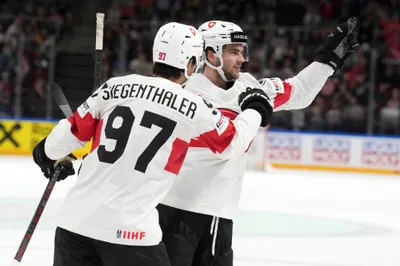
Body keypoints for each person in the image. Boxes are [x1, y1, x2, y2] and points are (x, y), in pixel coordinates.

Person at [31, 22, 273, 266]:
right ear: (190, 63)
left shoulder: (114, 86)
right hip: (130, 232)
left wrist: (47, 156)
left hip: (74, 224)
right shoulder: (192, 105)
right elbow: (232, 143)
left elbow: (69, 133)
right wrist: (255, 109)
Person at [157, 18, 360, 266]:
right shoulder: (187, 93)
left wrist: (327, 61)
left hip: (221, 218)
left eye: (242, 51)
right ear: (210, 55)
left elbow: (301, 91)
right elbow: (228, 145)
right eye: (233, 52)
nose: (242, 59)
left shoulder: (248, 86)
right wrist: (253, 109)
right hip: (175, 211)